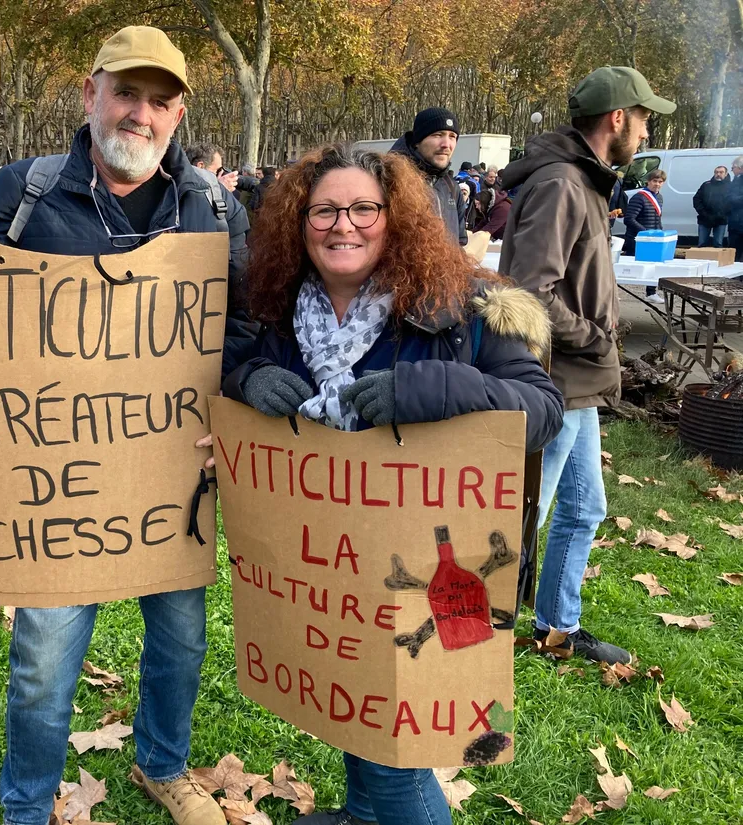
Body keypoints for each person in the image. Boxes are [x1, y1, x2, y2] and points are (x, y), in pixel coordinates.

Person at [0, 25, 252, 825]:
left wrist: (239, 416)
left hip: (168, 481)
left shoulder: (215, 209)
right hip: (53, 491)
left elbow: (246, 329)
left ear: (179, 115)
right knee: (45, 659)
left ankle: (162, 762)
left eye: (160, 103)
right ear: (91, 95)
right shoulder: (29, 193)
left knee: (183, 643)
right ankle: (26, 803)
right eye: (127, 94)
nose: (140, 116)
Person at [222, 143, 563, 825]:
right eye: (324, 211)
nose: (342, 225)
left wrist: (434, 386)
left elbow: (542, 411)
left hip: (430, 566)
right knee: (354, 704)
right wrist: (249, 380)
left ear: (395, 218)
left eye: (362, 209)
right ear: (299, 222)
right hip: (332, 565)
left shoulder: (462, 306)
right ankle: (362, 814)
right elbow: (242, 373)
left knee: (396, 752)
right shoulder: (284, 309)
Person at [499, 65, 676, 665]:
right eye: (645, 118)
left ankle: (556, 627)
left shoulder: (586, 181)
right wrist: (594, 338)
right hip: (555, 382)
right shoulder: (563, 186)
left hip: (578, 380)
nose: (648, 132)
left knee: (584, 508)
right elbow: (525, 293)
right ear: (617, 118)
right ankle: (480, 631)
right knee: (524, 515)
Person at [390, 107, 467, 245]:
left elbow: (459, 242)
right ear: (417, 141)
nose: (446, 145)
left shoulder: (451, 187)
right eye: (437, 135)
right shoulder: (390, 180)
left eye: (452, 137)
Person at [622, 168, 666, 300]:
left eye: (660, 181)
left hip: (653, 239)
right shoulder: (639, 197)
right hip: (637, 239)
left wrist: (660, 233)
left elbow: (657, 218)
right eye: (654, 181)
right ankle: (611, 291)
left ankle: (651, 293)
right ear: (648, 182)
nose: (657, 184)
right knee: (625, 268)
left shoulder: (659, 197)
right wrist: (644, 231)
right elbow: (629, 219)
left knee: (653, 266)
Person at [693, 165, 731, 248]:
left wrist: (723, 214)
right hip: (705, 218)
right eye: (716, 172)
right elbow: (696, 200)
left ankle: (717, 261)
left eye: (721, 172)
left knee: (718, 244)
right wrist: (703, 213)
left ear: (726, 174)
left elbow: (731, 203)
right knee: (702, 244)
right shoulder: (706, 185)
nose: (718, 174)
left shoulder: (730, 186)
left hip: (721, 220)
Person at [731, 156, 743, 262]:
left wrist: (731, 200)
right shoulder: (736, 180)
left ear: (739, 167)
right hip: (735, 222)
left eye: (733, 168)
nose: (732, 170)